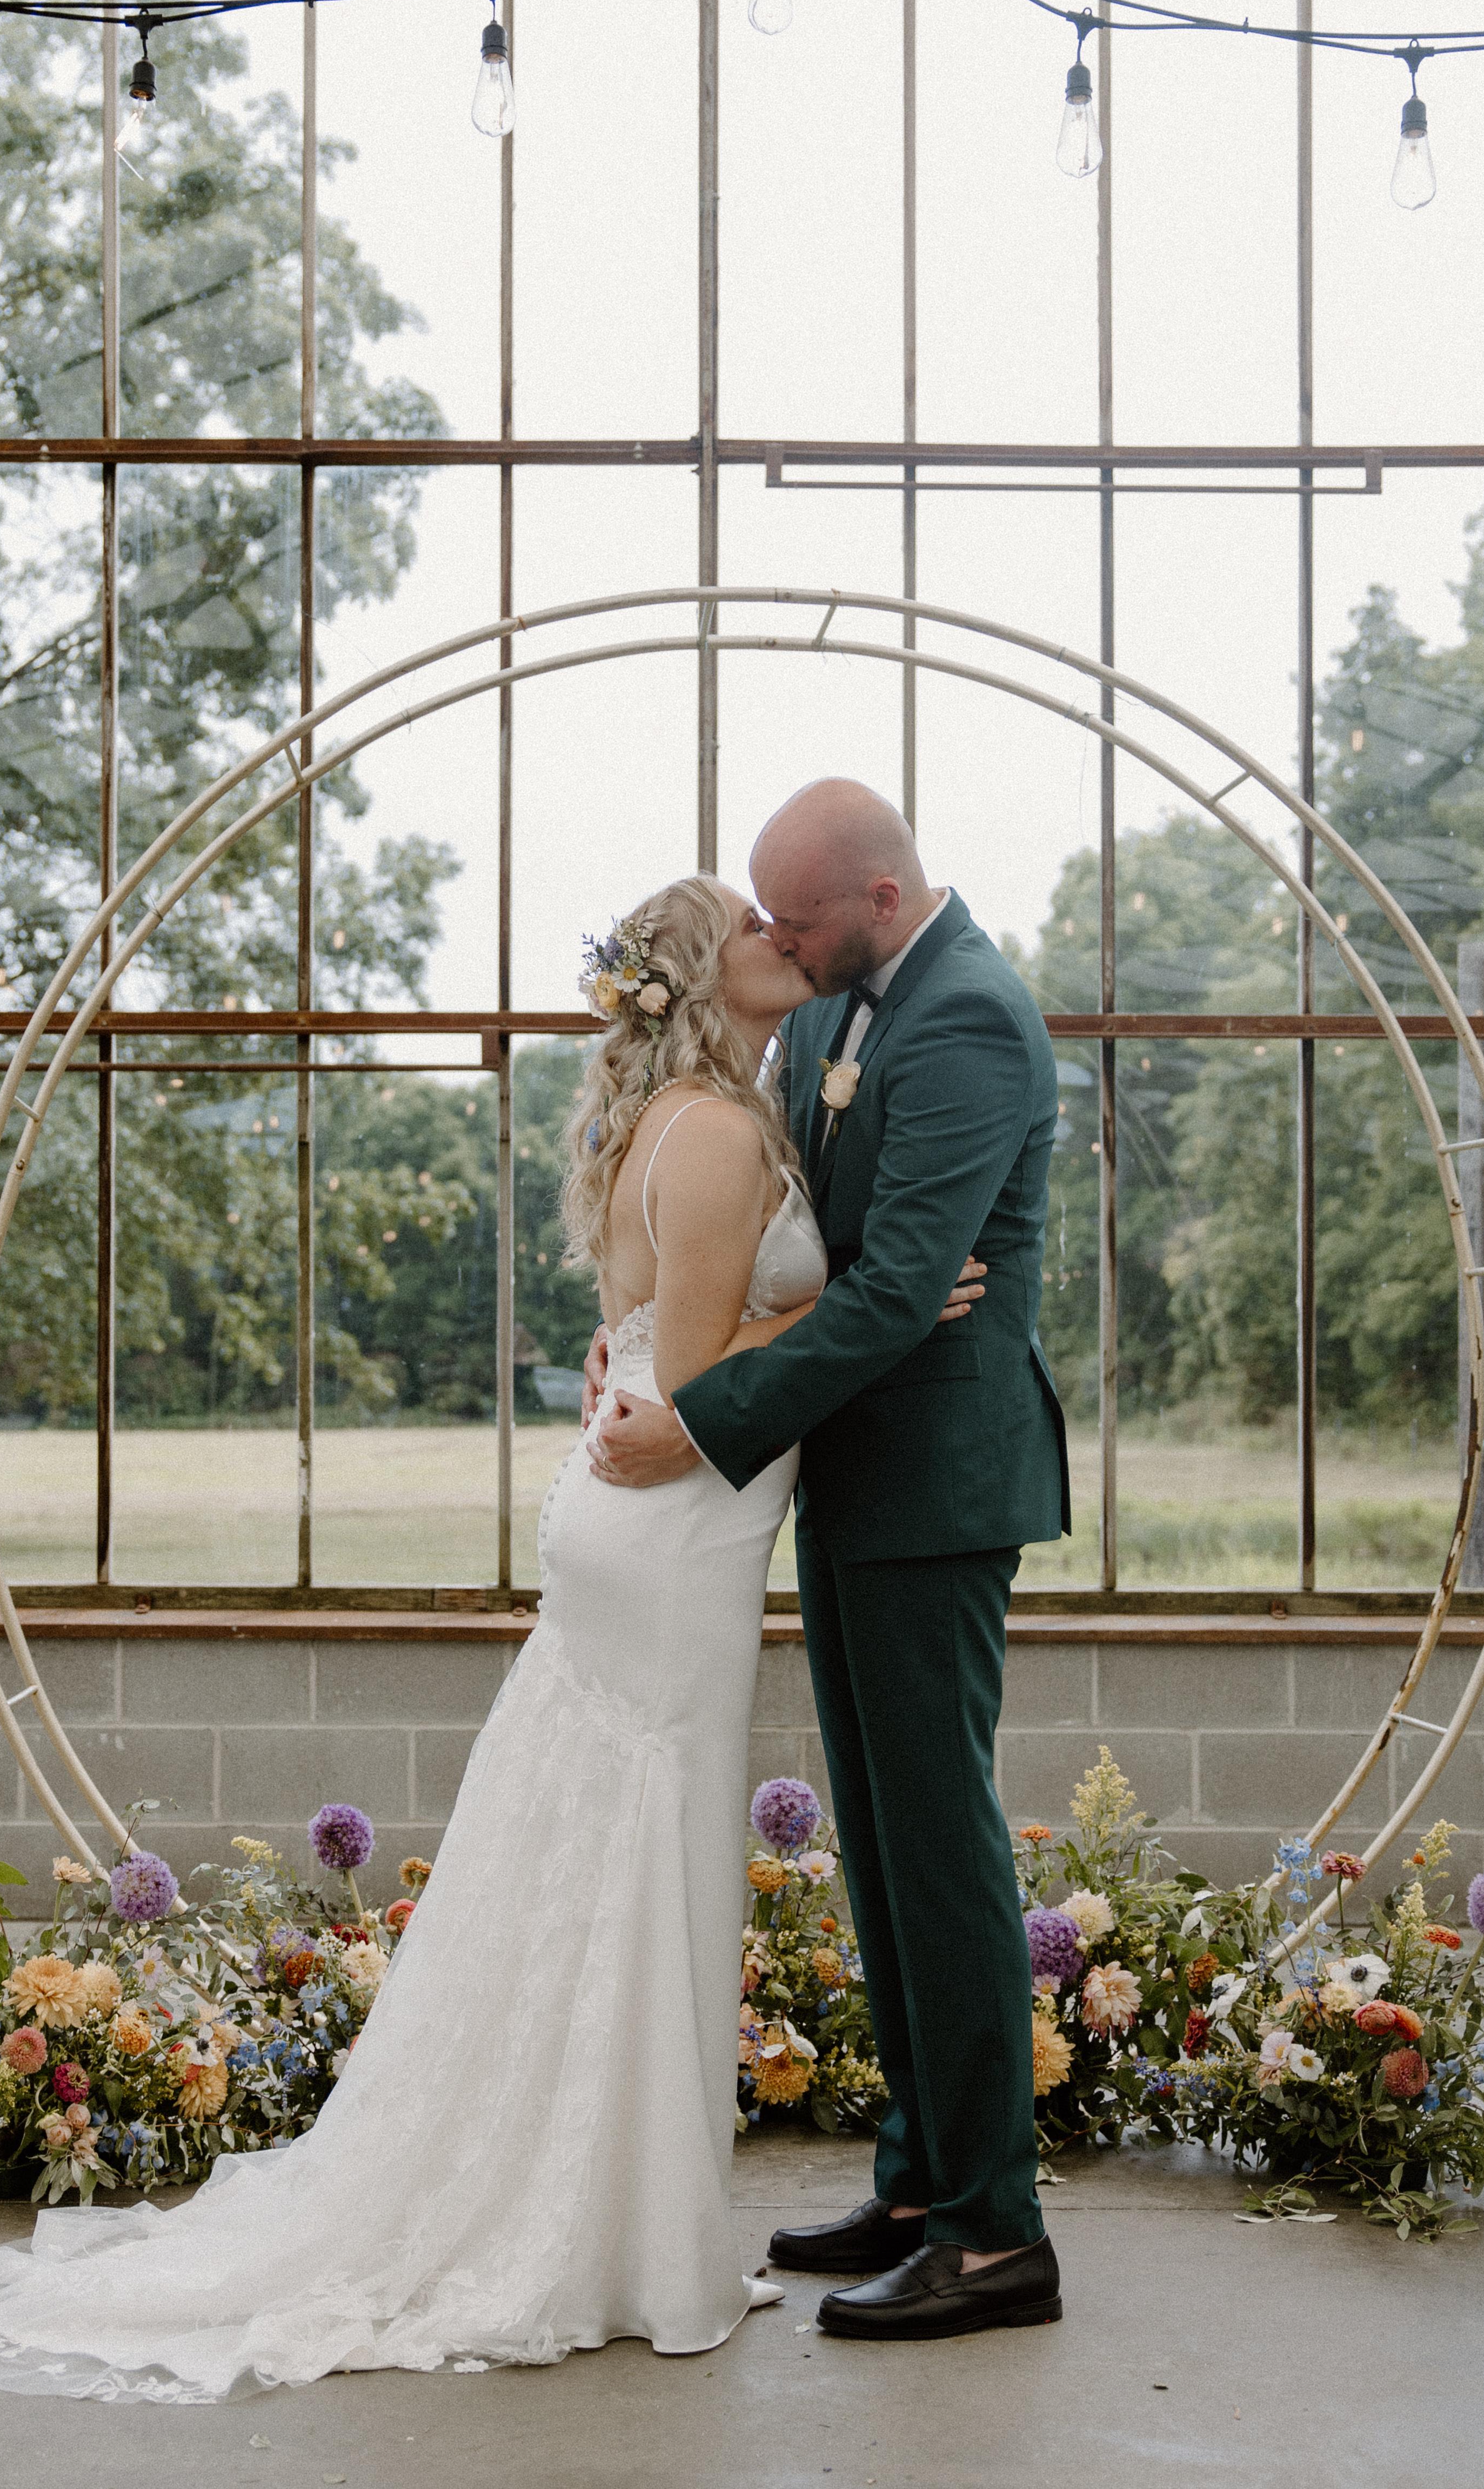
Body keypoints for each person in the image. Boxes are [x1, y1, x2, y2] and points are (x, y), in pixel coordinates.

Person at [0, 871, 983, 2398]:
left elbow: (652, 1338)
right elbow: (702, 1372)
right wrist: (879, 1299)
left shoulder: (692, 1118)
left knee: (609, 1860)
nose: (779, 938)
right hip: (669, 1534)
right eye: (748, 928)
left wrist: (795, 1314)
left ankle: (610, 2219)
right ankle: (606, 2237)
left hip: (657, 1529)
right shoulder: (717, 1134)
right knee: (642, 1859)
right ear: (695, 976)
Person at [588, 779, 1069, 2343]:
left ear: (878, 897)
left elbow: (898, 1286)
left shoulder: (967, 1014)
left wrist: (696, 1420)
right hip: (854, 1475)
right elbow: (836, 1268)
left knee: (939, 1854)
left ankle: (994, 2237)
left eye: (796, 921)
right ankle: (919, 2185)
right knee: (880, 1851)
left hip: (937, 1487)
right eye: (765, 925)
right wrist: (659, 1344)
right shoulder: (836, 1012)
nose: (780, 946)